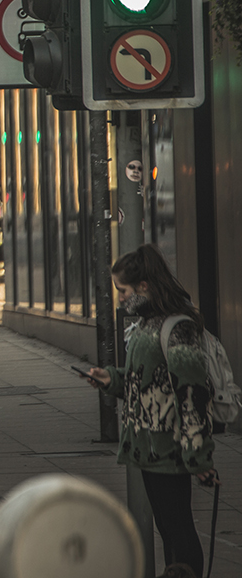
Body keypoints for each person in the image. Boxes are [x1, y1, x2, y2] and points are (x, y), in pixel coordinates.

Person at [82, 243, 218, 577]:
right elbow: (144, 381)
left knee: (178, 529)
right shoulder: (147, 324)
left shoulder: (177, 327)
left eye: (123, 291)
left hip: (168, 448)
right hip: (149, 447)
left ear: (144, 287)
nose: (120, 299)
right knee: (169, 528)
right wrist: (111, 380)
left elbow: (192, 392)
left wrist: (198, 458)